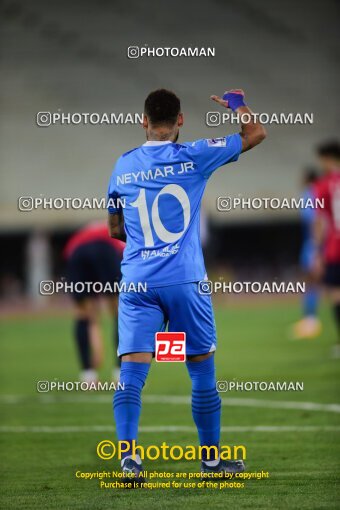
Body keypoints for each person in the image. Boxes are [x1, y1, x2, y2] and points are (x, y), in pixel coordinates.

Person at [107, 88, 266, 482]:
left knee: (131, 373)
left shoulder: (123, 166)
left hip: (138, 282)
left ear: (142, 121)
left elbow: (114, 228)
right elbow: (255, 133)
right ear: (180, 121)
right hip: (186, 283)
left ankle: (129, 461)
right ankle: (211, 465)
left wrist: (147, 250)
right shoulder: (194, 154)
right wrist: (236, 105)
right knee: (201, 372)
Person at [64, 221, 125, 383]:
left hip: (76, 253)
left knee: (83, 314)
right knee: (120, 313)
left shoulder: (84, 233)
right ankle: (120, 372)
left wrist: (97, 341)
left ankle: (88, 375)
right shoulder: (121, 233)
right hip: (106, 249)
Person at [312, 141, 340, 358]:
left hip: (335, 246)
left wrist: (317, 251)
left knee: (336, 293)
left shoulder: (323, 184)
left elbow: (320, 221)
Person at [291, 169, 322, 339]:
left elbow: (315, 222)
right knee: (312, 282)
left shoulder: (311, 194)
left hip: (314, 244)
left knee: (311, 280)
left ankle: (310, 320)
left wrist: (316, 248)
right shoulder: (318, 192)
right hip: (315, 243)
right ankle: (310, 319)